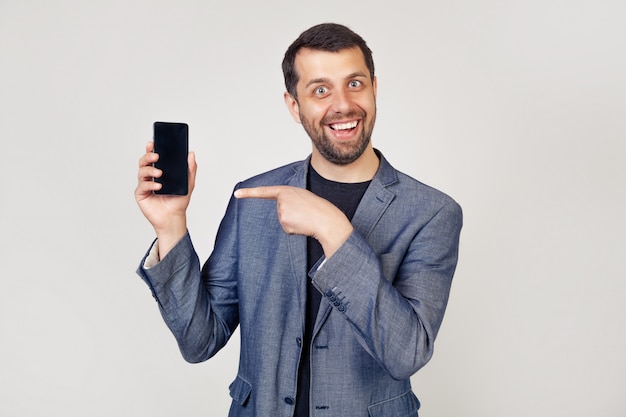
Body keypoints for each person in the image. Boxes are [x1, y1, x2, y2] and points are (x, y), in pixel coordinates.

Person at [135, 22, 462, 417]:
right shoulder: (252, 201)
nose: (342, 104)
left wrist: (335, 232)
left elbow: (407, 352)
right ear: (294, 105)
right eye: (320, 90)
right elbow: (200, 340)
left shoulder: (432, 212)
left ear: (375, 88)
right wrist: (171, 226)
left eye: (354, 84)